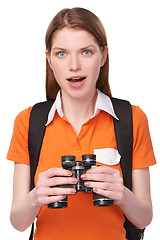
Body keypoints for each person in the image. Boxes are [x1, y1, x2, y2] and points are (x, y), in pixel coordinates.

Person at [7, 7, 156, 240]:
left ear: (103, 55)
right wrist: (36, 197)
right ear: (49, 59)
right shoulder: (28, 121)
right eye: (62, 54)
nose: (74, 65)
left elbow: (145, 217)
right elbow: (17, 222)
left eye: (86, 52)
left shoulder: (132, 118)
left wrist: (122, 195)